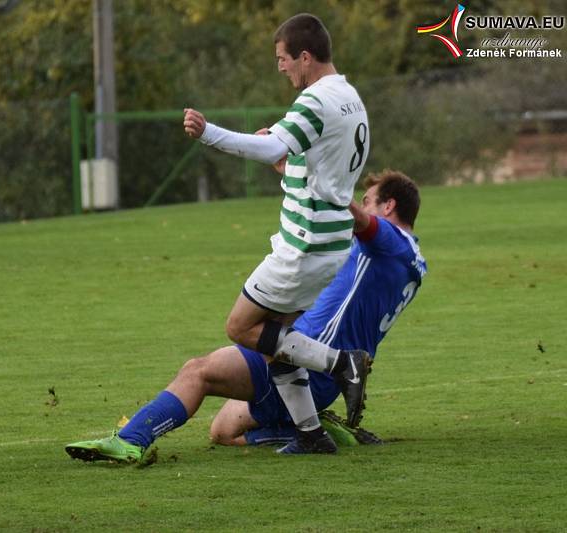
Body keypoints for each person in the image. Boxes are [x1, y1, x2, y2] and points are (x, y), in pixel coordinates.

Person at [65, 170, 426, 461]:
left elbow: (353, 216)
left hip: (311, 359)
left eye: (369, 199)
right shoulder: (414, 260)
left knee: (199, 370)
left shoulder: (388, 241)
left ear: (389, 205)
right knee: (222, 431)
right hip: (314, 374)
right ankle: (309, 428)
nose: (362, 205)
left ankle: (131, 440)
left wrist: (317, 177)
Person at [183, 13, 372, 444]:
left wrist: (208, 132)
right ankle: (310, 434)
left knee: (240, 328)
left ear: (305, 57)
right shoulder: (349, 96)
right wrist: (287, 165)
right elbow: (323, 174)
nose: (281, 67)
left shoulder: (316, 101)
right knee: (273, 341)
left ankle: (344, 364)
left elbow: (271, 145)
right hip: (332, 241)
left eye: (283, 59)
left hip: (302, 247)